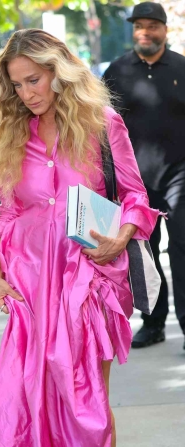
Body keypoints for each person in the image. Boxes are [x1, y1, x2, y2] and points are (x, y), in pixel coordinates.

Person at [0, 29, 159, 447]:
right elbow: (11, 211)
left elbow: (135, 196)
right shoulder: (18, 133)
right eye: (17, 84)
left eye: (34, 79)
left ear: (58, 68)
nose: (27, 92)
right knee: (42, 401)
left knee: (89, 401)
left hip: (90, 280)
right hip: (34, 286)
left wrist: (124, 231)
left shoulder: (103, 125)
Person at [104, 2, 185, 349]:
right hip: (134, 183)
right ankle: (153, 324)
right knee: (144, 255)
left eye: (152, 26)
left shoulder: (182, 67)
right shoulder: (116, 71)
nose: (145, 32)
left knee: (183, 250)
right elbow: (100, 127)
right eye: (139, 26)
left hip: (180, 175)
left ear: (164, 30)